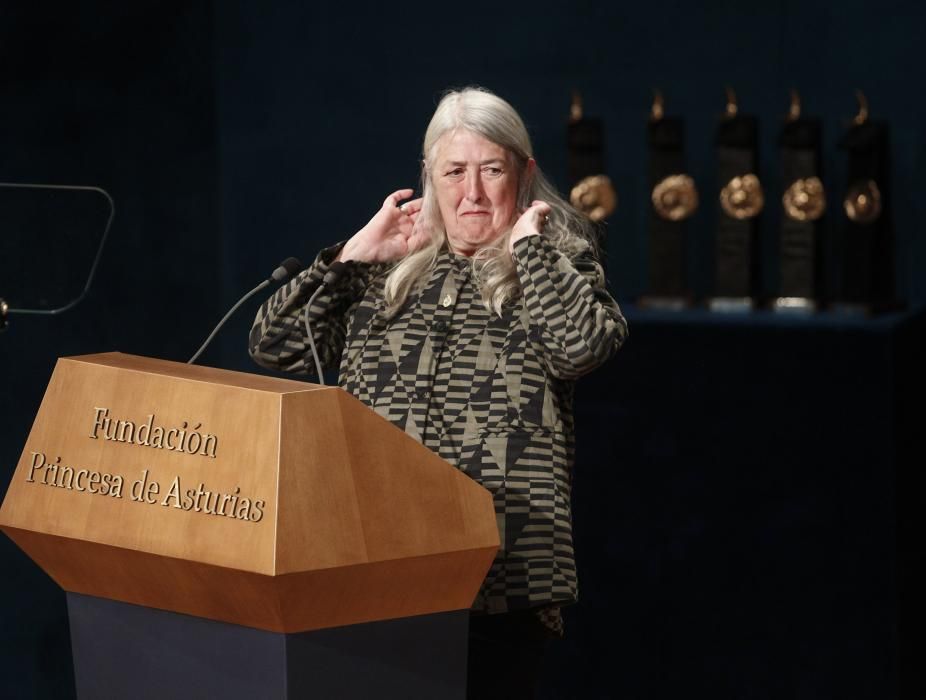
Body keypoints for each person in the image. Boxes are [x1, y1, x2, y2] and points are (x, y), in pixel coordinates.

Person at [249, 86, 628, 698]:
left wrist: (530, 247)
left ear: (523, 176)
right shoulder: (382, 273)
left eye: (491, 171)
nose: (471, 193)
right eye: (454, 172)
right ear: (428, 176)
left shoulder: (558, 264)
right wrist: (349, 257)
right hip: (371, 568)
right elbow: (275, 347)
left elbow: (582, 346)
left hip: (501, 583)